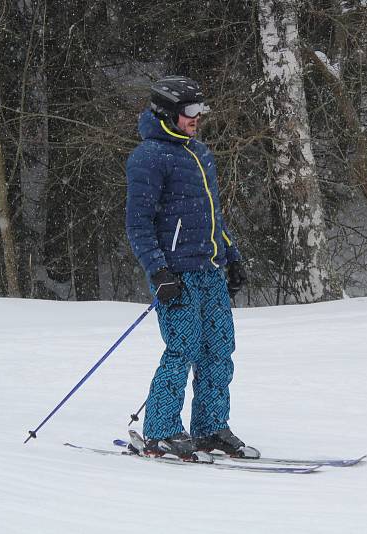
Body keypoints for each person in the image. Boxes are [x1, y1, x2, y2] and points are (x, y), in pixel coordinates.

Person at [125, 76, 258, 461]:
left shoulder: (200, 153)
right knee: (181, 348)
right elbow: (138, 224)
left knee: (219, 350)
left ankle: (210, 427)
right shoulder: (148, 158)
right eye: (190, 111)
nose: (197, 118)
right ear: (168, 113)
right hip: (176, 274)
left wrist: (231, 255)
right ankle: (161, 430)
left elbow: (211, 216)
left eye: (200, 110)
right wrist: (158, 271)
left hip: (209, 269)